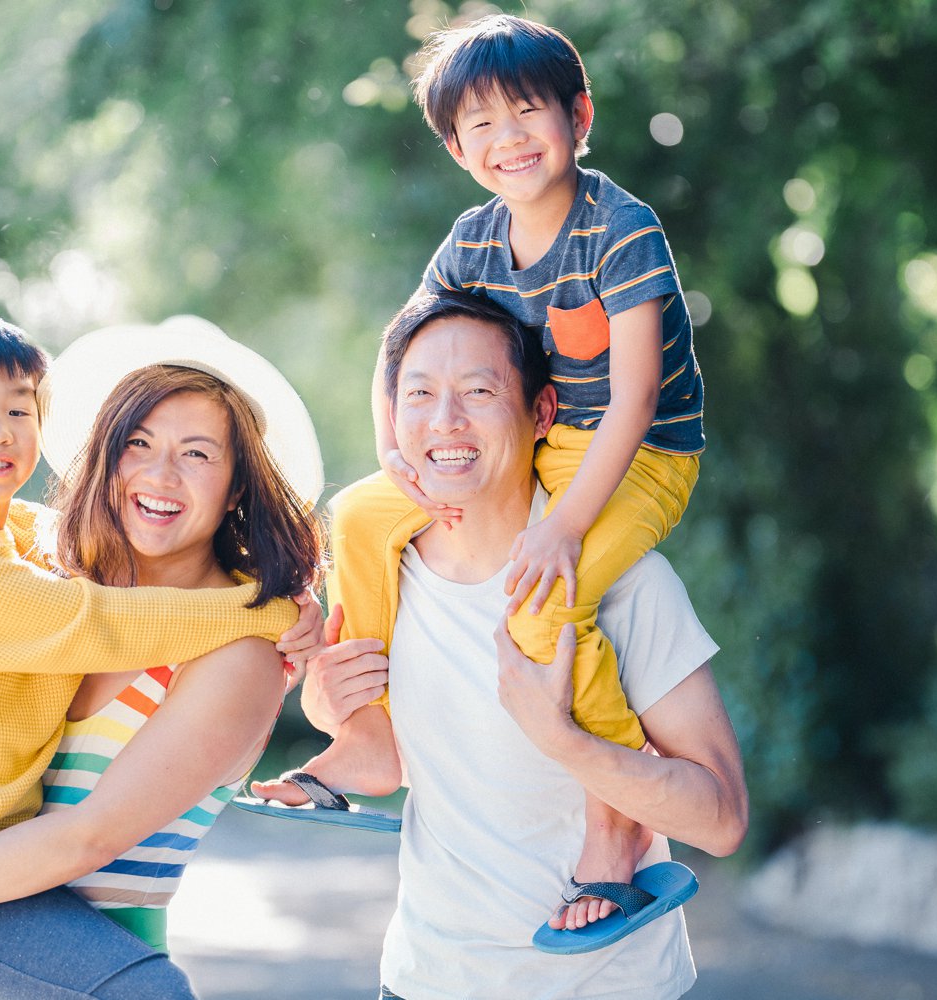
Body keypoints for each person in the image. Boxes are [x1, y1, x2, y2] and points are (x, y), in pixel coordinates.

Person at [254, 13, 707, 941]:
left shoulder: (621, 230)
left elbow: (631, 403)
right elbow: (402, 348)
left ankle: (616, 829)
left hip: (641, 455)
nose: (508, 141)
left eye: (527, 113)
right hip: (537, 442)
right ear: (458, 149)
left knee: (546, 595)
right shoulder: (472, 239)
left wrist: (563, 525)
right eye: (481, 127)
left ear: (579, 116)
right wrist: (397, 451)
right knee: (360, 517)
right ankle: (371, 734)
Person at [263, 291, 746, 997]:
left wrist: (569, 741)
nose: (445, 420)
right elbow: (443, 763)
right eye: (420, 393)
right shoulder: (382, 573)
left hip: (605, 985)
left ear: (541, 412)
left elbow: (723, 820)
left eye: (479, 391)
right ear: (392, 416)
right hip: (423, 979)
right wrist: (339, 711)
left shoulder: (624, 585)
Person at [0, 316, 327, 998]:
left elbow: (85, 839)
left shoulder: (238, 653)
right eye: (138, 443)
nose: (159, 474)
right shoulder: (49, 578)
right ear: (106, 453)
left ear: (238, 484)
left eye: (198, 454)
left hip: (97, 963)